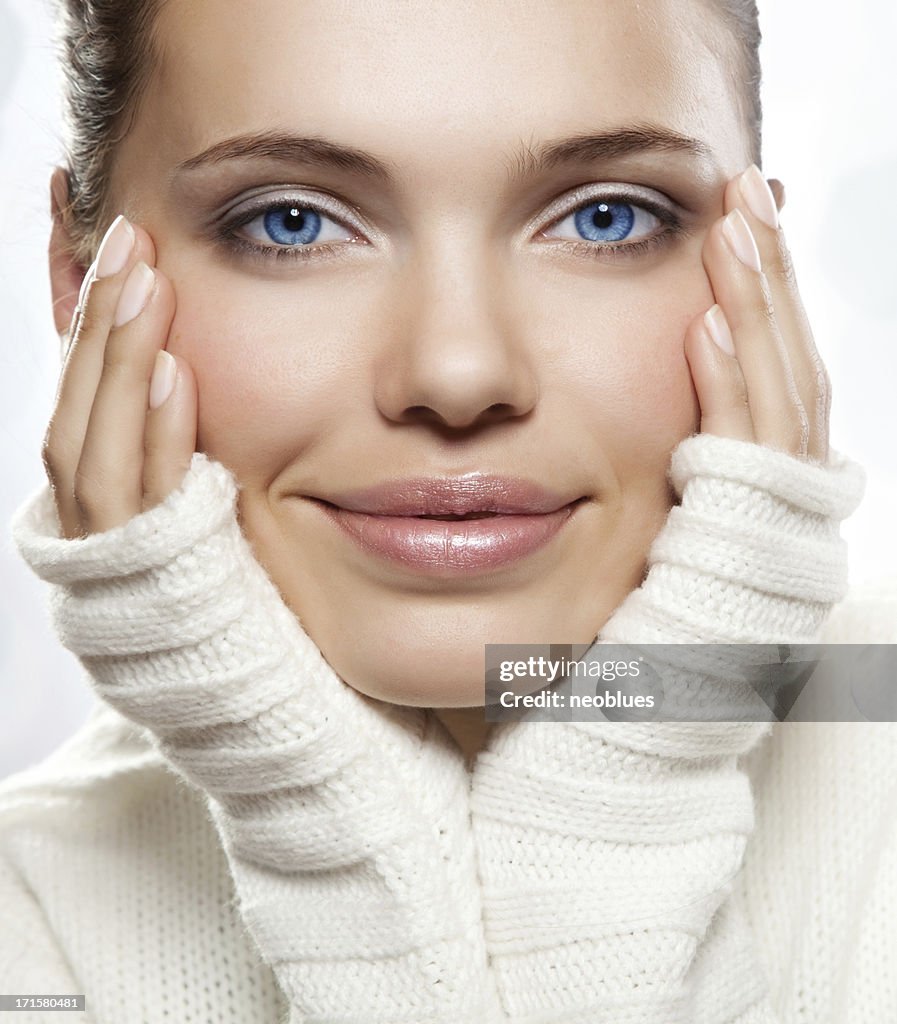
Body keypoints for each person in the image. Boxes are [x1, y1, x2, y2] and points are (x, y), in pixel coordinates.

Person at [0, 0, 894, 1021]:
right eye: (290, 221)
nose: (459, 371)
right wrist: (321, 830)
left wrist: (658, 726)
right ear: (83, 293)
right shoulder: (27, 920)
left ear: (759, 270)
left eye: (608, 216)